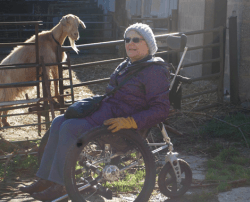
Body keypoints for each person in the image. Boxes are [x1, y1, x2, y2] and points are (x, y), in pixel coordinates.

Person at [19, 23, 171, 201]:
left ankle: (60, 186)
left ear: (149, 44)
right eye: (127, 39)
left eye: (136, 39)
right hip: (106, 112)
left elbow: (161, 109)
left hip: (119, 125)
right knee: (58, 122)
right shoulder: (128, 64)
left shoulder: (154, 71)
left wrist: (131, 121)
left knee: (69, 128)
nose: (130, 43)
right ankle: (45, 179)